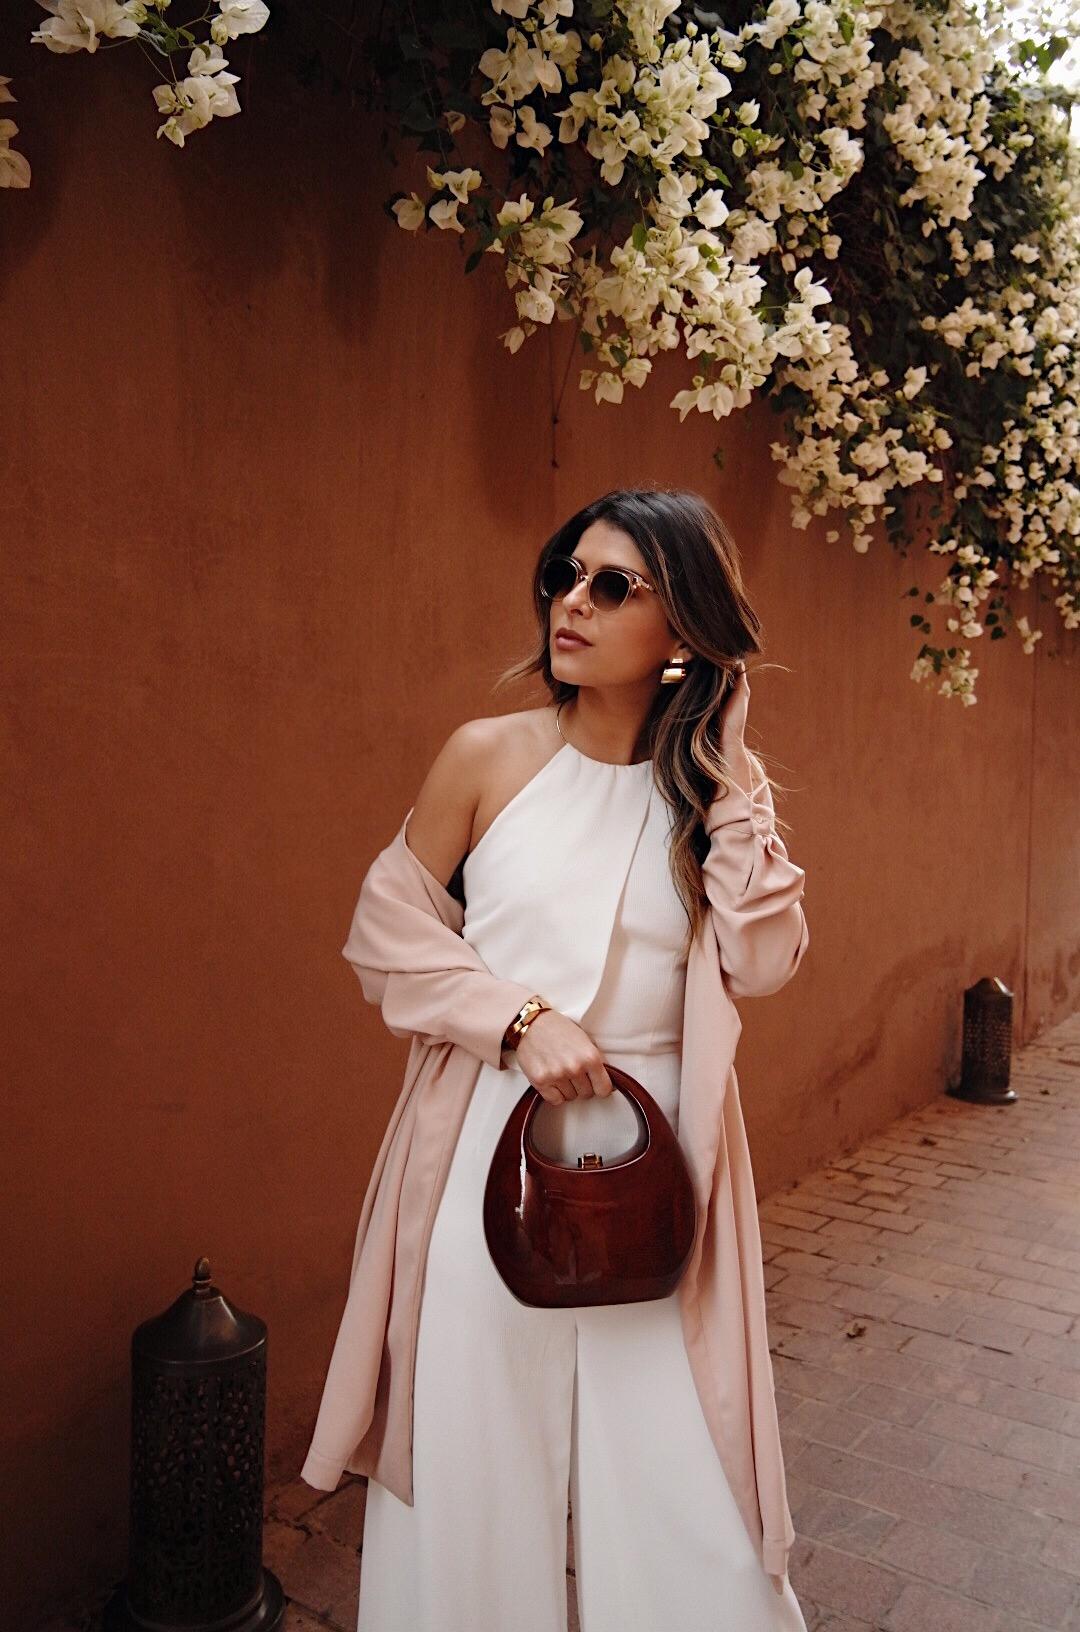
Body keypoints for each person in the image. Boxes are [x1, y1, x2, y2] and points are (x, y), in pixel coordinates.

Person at [307, 486, 810, 1632]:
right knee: (473, 1472)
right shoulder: (486, 757)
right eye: (564, 575)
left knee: (690, 1478)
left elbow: (767, 959)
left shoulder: (712, 796)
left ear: (681, 625)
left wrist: (731, 775)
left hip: (657, 1166)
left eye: (613, 585)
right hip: (486, 1145)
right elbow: (385, 936)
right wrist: (520, 1021)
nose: (571, 603)